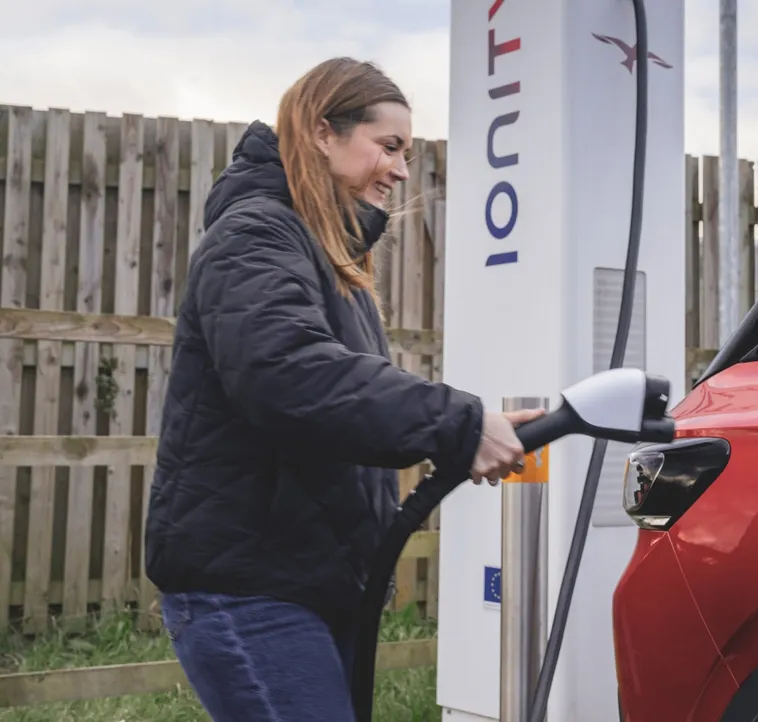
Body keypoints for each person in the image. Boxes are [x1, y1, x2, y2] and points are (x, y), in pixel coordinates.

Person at [143, 57, 541, 721]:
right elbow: (289, 374)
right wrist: (459, 425)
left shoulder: (326, 259)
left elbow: (341, 400)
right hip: (250, 591)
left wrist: (463, 427)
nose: (403, 170)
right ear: (323, 132)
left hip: (308, 584)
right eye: (388, 146)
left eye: (407, 152)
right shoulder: (255, 236)